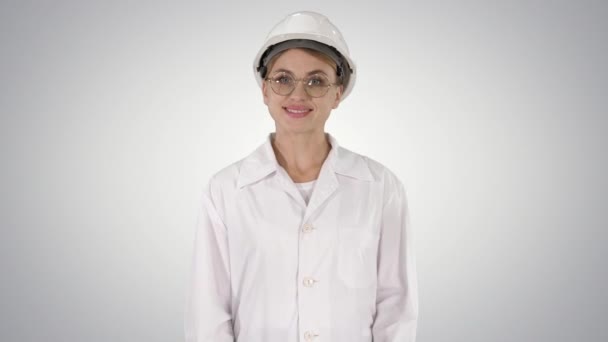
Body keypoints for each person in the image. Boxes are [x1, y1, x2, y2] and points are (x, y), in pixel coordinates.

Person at [184, 11, 418, 342]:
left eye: (316, 81)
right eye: (283, 79)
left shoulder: (380, 187)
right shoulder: (225, 190)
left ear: (338, 93)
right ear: (264, 90)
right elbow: (208, 311)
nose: (298, 95)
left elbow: (397, 305)